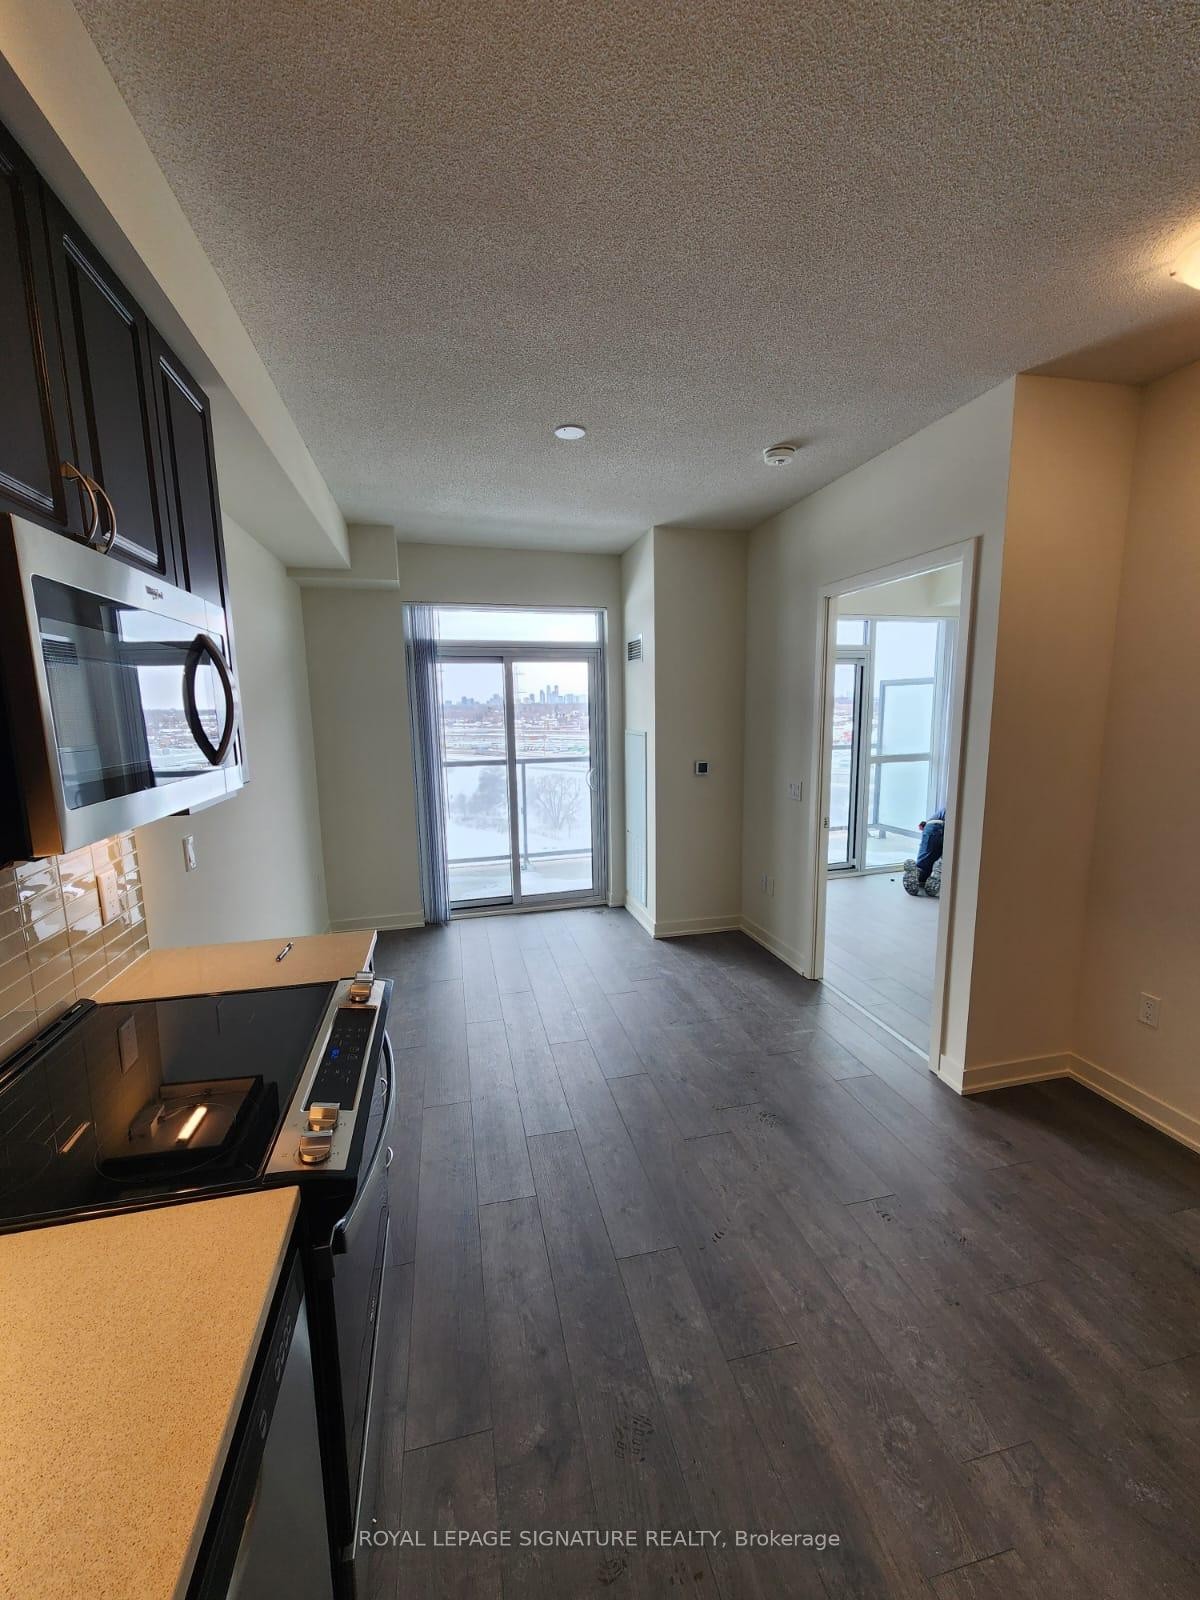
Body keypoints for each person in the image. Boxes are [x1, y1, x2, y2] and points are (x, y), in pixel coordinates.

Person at [903, 807, 945, 897]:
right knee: (944, 859)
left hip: (933, 826)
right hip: (953, 830)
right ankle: (937, 873)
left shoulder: (948, 805)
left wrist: (925, 828)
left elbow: (924, 826)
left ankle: (917, 873)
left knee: (924, 865)